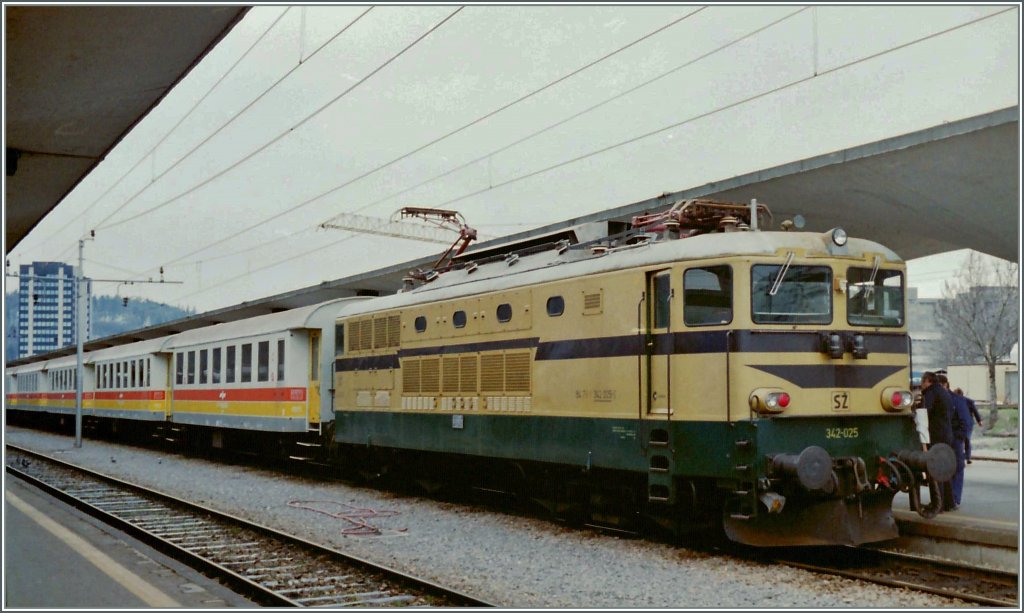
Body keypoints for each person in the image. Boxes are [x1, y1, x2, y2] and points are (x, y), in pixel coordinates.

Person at [920, 371, 957, 511]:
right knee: (945, 469)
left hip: (935, 435)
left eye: (922, 382)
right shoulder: (944, 392)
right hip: (947, 434)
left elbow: (924, 412)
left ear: (928, 381)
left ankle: (938, 504)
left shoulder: (930, 393)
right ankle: (949, 502)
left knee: (935, 470)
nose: (921, 385)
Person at [940, 376, 968, 509]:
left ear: (945, 384)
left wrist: (959, 437)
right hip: (945, 437)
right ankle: (948, 499)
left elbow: (965, 420)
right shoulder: (941, 399)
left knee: (957, 468)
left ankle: (955, 498)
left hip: (955, 438)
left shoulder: (957, 400)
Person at [954, 387, 983, 463]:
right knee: (965, 440)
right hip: (963, 423)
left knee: (966, 439)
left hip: (968, 423)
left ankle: (967, 457)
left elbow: (974, 410)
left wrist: (979, 420)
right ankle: (965, 456)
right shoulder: (959, 401)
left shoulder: (967, 401)